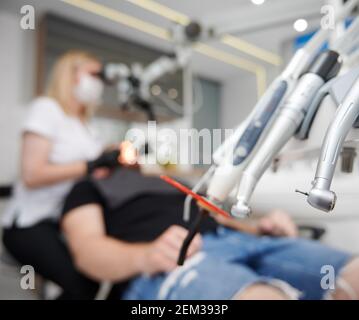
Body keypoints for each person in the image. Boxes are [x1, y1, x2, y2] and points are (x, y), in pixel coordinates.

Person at [61, 168, 359, 300]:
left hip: (238, 241)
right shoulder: (89, 188)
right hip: (171, 260)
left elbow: (217, 216)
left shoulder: (172, 181)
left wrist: (261, 227)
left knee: (353, 277)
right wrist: (147, 256)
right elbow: (87, 252)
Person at [2, 50, 122, 299]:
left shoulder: (86, 126)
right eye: (94, 74)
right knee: (83, 286)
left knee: (103, 274)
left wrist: (109, 162)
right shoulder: (47, 109)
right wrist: (90, 165)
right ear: (71, 74)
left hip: (66, 221)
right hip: (29, 224)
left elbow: (92, 174)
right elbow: (32, 175)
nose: (99, 82)